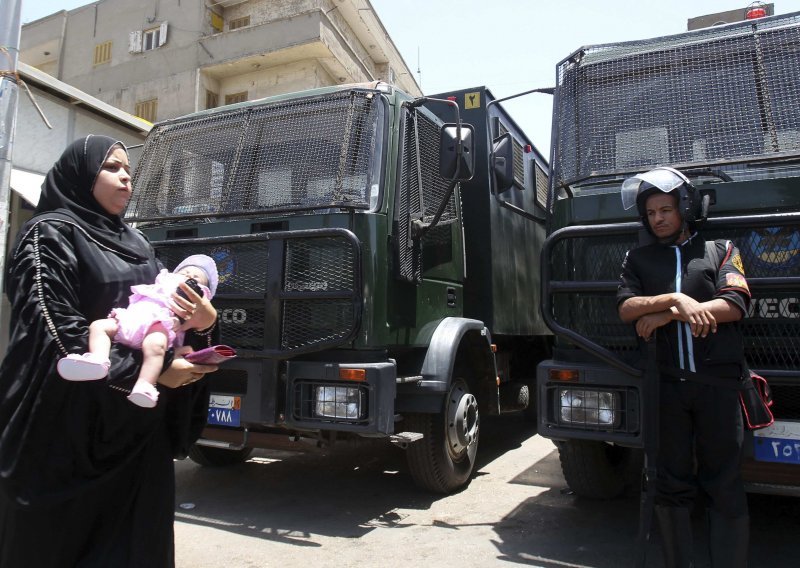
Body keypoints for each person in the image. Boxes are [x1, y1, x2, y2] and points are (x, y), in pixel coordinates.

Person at [0, 135, 219, 567]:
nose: (125, 177)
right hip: (66, 432)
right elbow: (54, 333)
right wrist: (150, 371)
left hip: (134, 434)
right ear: (81, 175)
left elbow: (167, 316)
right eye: (112, 167)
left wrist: (203, 323)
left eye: (129, 170)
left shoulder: (138, 245)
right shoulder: (49, 235)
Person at [617, 167, 751, 568]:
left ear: (685, 208)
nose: (658, 218)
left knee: (724, 481)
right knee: (669, 481)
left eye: (666, 209)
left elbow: (735, 304)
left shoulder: (720, 249)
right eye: (652, 212)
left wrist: (667, 315)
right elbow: (626, 307)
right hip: (667, 387)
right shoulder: (637, 258)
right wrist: (676, 298)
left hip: (718, 385)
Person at [57, 254, 219, 408]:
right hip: (131, 318)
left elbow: (193, 310)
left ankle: (145, 384)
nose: (189, 274)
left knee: (155, 348)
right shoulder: (162, 280)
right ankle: (98, 359)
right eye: (185, 271)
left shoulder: (196, 294)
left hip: (158, 322)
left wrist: (181, 317)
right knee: (99, 326)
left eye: (196, 277)